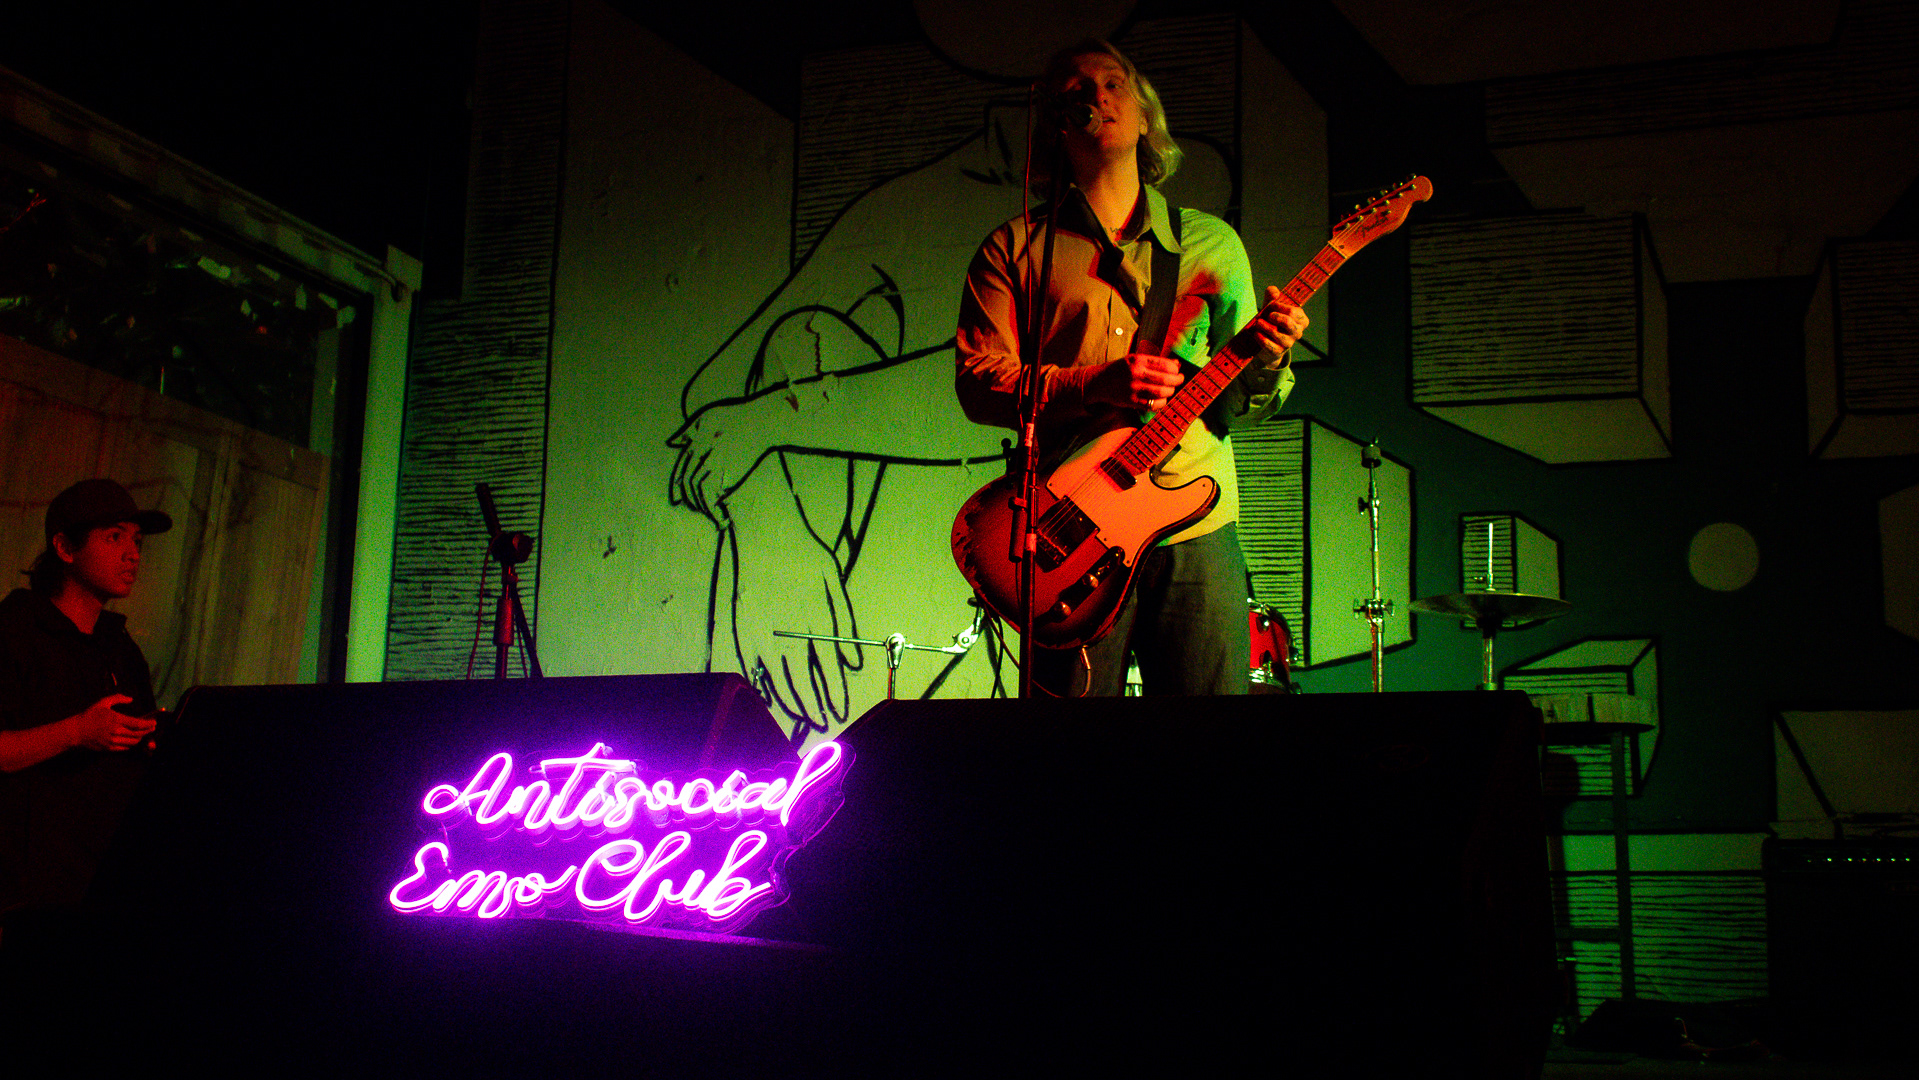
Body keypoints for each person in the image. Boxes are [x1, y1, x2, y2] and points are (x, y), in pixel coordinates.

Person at [954, 39, 1307, 696]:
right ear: (1058, 123)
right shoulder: (1014, 248)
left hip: (1196, 520)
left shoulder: (1211, 244)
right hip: (1069, 531)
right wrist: (1094, 385)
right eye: (1077, 89)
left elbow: (1246, 405)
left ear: (1145, 117)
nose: (1097, 95)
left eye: (1114, 82)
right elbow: (978, 382)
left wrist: (1271, 357)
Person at [0, 478, 170, 920]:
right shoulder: (15, 630)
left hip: (104, 889)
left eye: (136, 540)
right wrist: (77, 731)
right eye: (114, 537)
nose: (132, 554)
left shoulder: (119, 646)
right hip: (28, 898)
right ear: (64, 547)